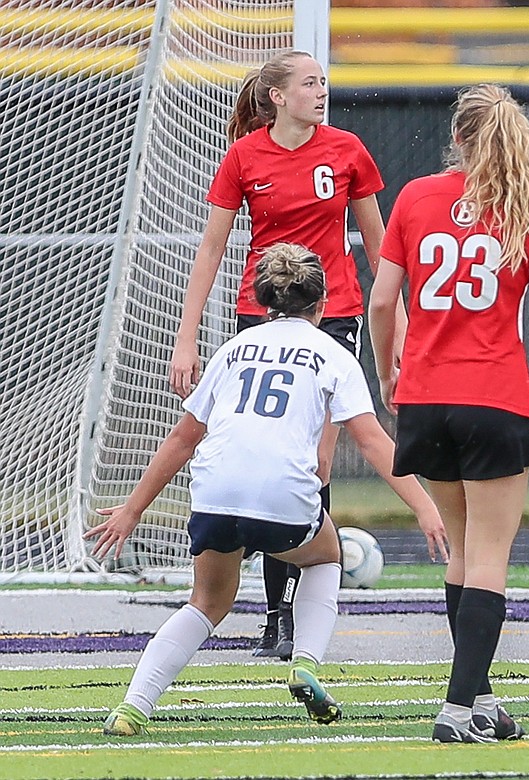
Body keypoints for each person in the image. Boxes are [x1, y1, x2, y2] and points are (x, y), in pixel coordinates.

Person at [89, 244, 448, 736]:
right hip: (281, 494)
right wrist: (426, 507)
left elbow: (183, 438)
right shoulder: (333, 355)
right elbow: (373, 443)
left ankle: (132, 707)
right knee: (325, 559)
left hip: (215, 489)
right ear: (322, 306)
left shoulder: (234, 349)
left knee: (208, 602)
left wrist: (132, 510)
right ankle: (304, 663)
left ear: (262, 305)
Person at [169, 50, 418, 660]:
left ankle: (288, 618)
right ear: (277, 96)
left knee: (315, 462)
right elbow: (210, 251)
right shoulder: (244, 157)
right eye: (309, 83)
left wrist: (402, 331)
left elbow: (383, 249)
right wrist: (187, 333)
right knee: (264, 449)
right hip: (260, 315)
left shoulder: (347, 150)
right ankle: (274, 615)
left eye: (324, 82)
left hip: (333, 318)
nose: (321, 91)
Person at [368, 83, 529, 744]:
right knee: (488, 556)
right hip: (495, 396)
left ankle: (480, 697)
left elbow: (381, 304)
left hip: (426, 398)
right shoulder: (526, 205)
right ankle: (457, 708)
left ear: (456, 138)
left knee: (462, 552)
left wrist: (386, 370)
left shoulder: (414, 196)